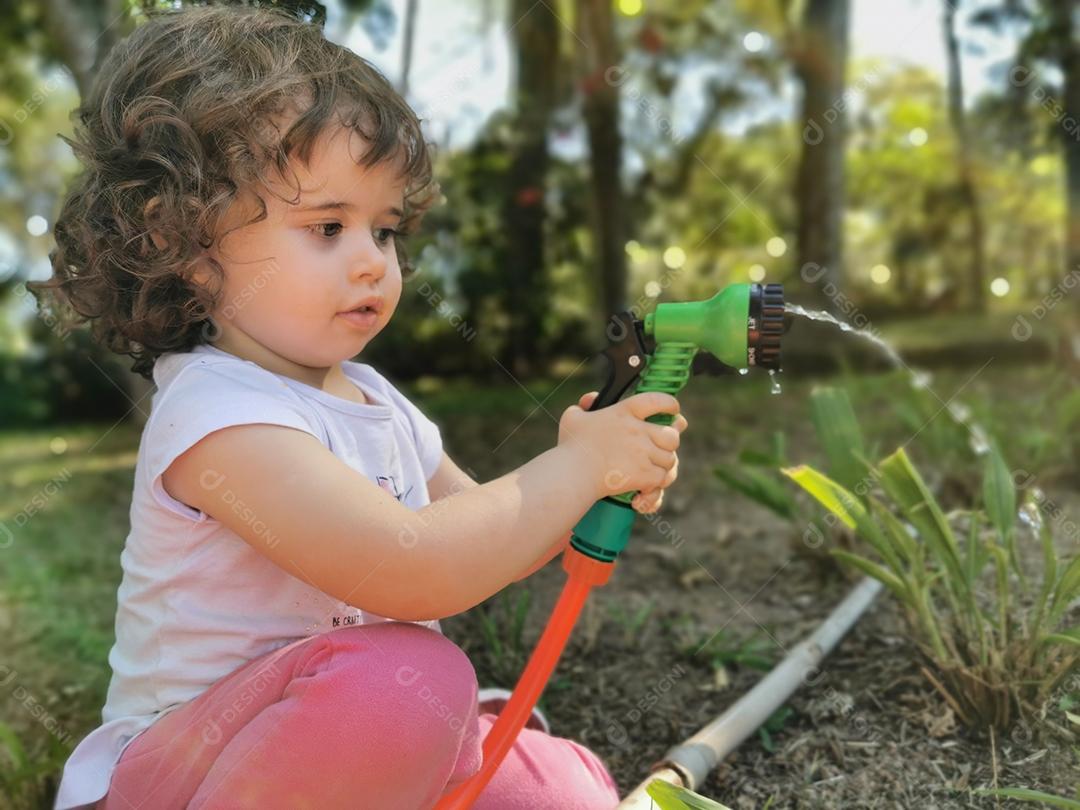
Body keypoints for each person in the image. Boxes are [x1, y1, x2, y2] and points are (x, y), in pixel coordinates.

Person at [33, 6, 686, 809]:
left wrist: (590, 476)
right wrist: (574, 469)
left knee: (554, 788)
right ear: (189, 249)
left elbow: (482, 529)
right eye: (329, 225)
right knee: (408, 681)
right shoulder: (215, 418)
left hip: (355, 738)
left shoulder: (375, 399)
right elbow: (414, 567)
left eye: (384, 229)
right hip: (193, 771)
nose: (373, 263)